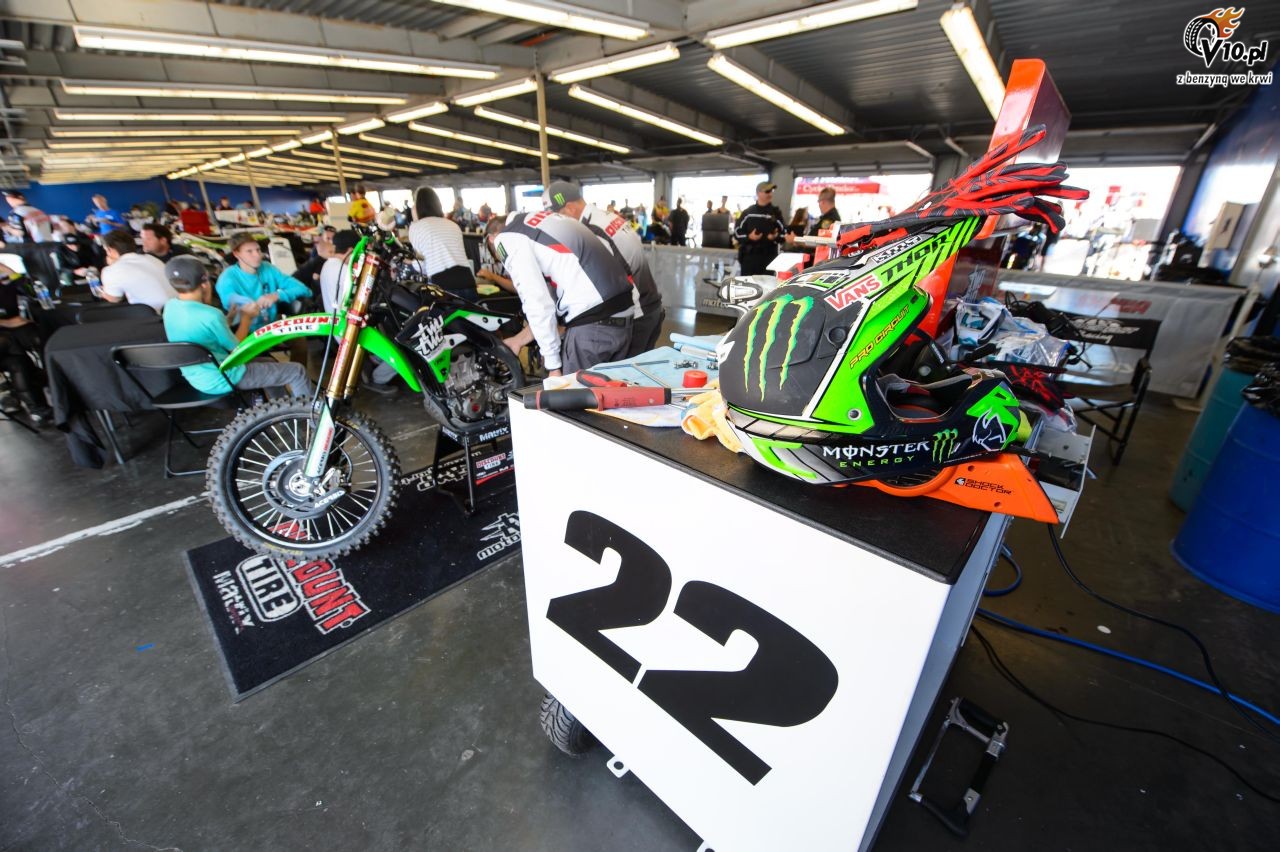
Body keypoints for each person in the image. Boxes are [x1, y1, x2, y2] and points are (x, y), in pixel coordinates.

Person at [485, 210, 635, 375]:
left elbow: (537, 303)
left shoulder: (506, 238)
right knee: (611, 390)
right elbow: (552, 308)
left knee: (575, 391)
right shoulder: (541, 220)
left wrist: (553, 365)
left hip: (592, 326)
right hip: (624, 315)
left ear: (492, 238)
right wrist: (518, 340)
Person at [545, 180, 666, 358]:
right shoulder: (606, 217)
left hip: (636, 316)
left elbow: (597, 284)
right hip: (651, 307)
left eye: (558, 216)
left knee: (620, 375)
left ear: (569, 208)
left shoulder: (590, 231)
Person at [162, 256, 311, 399]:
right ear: (205, 283)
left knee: (269, 362)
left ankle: (284, 409)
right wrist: (246, 319)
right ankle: (311, 415)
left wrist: (228, 319)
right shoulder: (211, 314)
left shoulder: (170, 307)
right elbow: (238, 350)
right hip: (225, 377)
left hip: (198, 378)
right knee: (297, 371)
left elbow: (205, 331)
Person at [215, 233, 311, 331]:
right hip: (245, 332)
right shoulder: (227, 278)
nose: (257, 255)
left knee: (300, 333)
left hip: (271, 327)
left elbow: (304, 289)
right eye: (249, 251)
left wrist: (277, 295)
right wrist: (253, 303)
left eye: (258, 250)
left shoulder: (268, 268)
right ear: (236, 254)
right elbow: (231, 301)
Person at [0, 263, 52, 423]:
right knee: (12, 346)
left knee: (26, 350)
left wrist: (7, 269)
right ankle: (39, 377)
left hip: (12, 330)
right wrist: (6, 323)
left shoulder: (4, 280)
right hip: (5, 334)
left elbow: (28, 289)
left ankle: (39, 407)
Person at [408, 186, 475, 295]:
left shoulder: (416, 227)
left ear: (417, 205)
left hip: (442, 284)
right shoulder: (453, 225)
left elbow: (421, 264)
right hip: (467, 280)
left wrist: (410, 263)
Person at [98, 228, 177, 313]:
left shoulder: (111, 270)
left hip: (156, 315)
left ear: (110, 250)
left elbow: (114, 299)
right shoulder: (151, 258)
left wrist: (101, 292)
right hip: (179, 307)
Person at [734, 181, 786, 275]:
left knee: (767, 284)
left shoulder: (776, 213)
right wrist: (749, 237)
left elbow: (784, 233)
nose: (770, 194)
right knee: (747, 284)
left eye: (771, 191)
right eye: (767, 191)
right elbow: (737, 232)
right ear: (758, 193)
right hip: (749, 258)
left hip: (769, 259)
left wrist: (775, 237)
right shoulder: (748, 213)